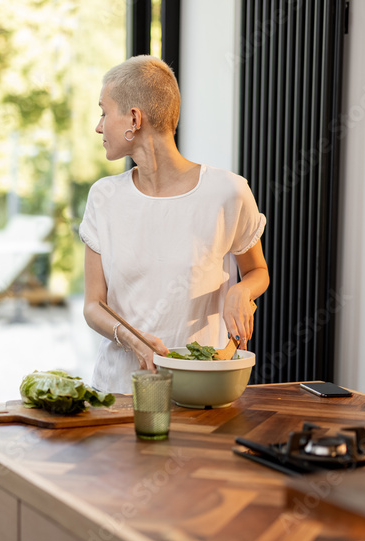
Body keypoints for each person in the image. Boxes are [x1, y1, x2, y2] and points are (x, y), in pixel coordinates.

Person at [80, 55, 270, 392]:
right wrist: (132, 339)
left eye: (103, 112)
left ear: (133, 119)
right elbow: (94, 305)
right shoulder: (104, 197)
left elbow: (257, 272)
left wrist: (242, 290)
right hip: (119, 393)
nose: (98, 126)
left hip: (200, 392)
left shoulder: (228, 192)